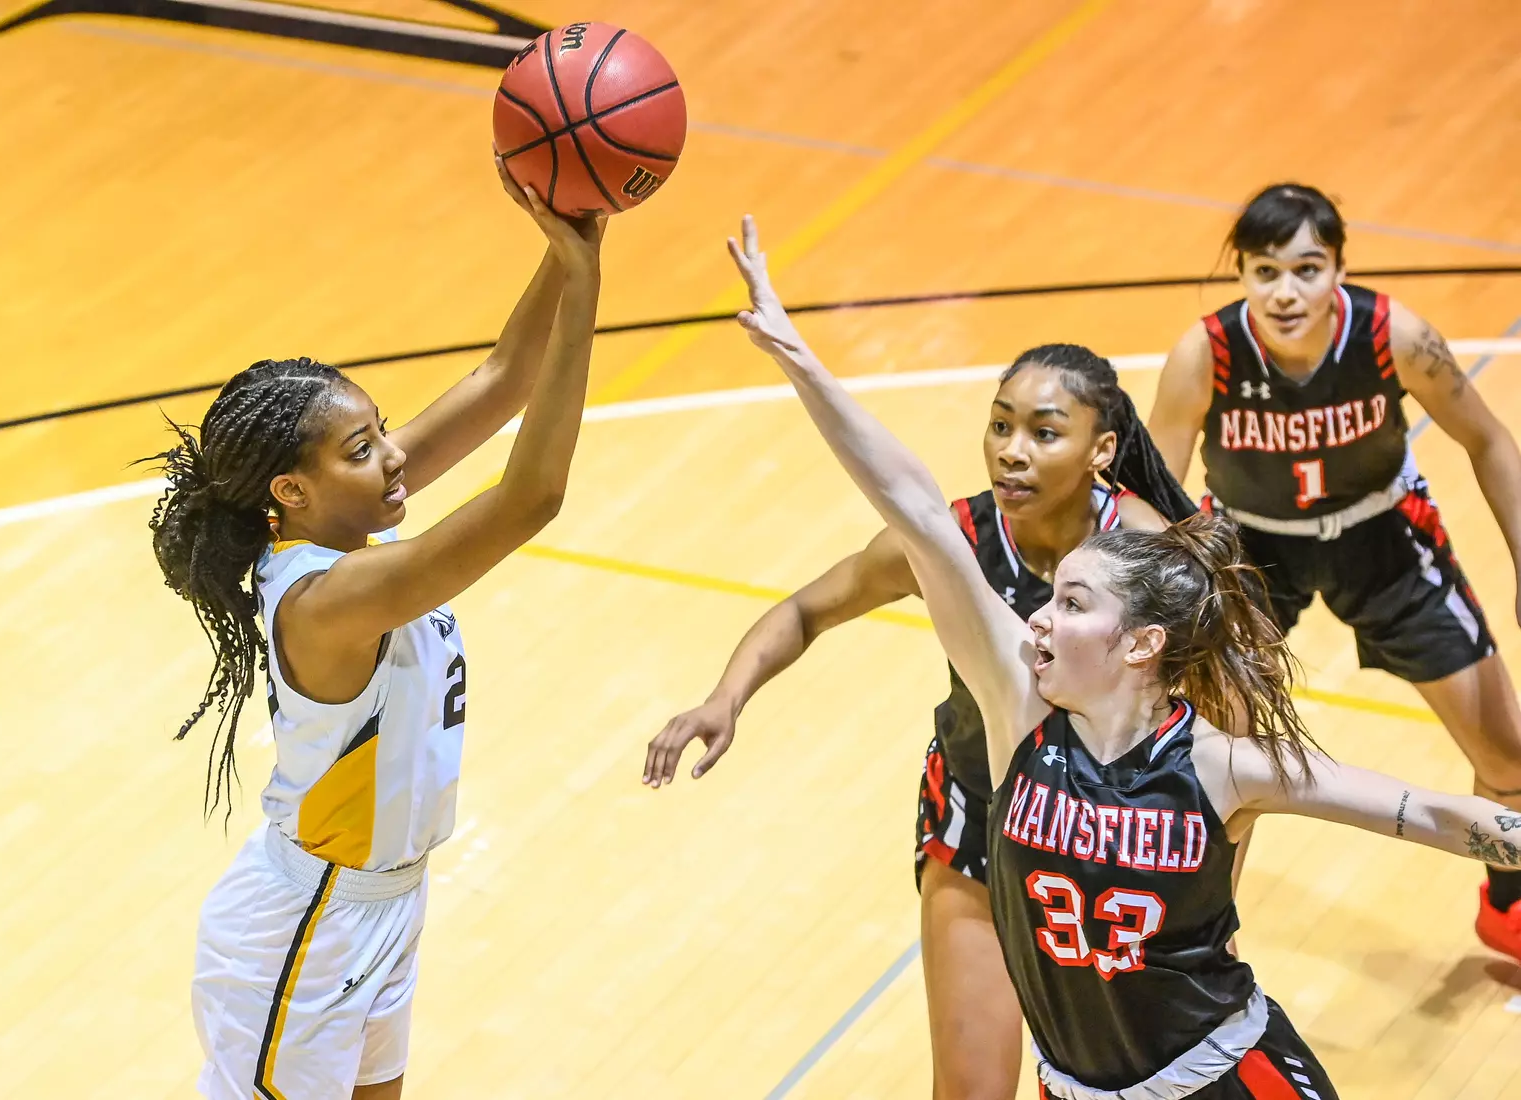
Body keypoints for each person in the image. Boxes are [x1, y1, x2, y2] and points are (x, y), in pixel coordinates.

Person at [724, 213, 1521, 1099]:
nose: (1035, 621)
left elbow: (1427, 814)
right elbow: (910, 504)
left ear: (1142, 642)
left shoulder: (1218, 764)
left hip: (1223, 1077)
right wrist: (796, 355)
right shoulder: (1017, 715)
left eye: (1070, 605)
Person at [144, 163, 604, 1100]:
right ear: (291, 491)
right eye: (362, 449)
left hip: (385, 902)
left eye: (382, 430)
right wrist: (586, 294)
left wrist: (572, 243)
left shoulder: (352, 523)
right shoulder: (328, 598)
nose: (394, 456)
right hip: (306, 926)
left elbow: (503, 378)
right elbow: (531, 496)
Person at [643, 340, 1194, 1099]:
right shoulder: (953, 541)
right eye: (999, 426)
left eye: (1043, 433)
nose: (1011, 452)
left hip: (1109, 841)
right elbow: (808, 608)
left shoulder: (1145, 553)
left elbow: (1220, 707)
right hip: (979, 824)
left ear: (1101, 449)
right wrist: (725, 697)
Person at [1147, 182, 1521, 960]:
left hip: (1381, 539)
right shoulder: (1205, 352)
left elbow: (1487, 439)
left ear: (1339, 271)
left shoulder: (1394, 335)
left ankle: (1508, 907)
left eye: (1306, 269)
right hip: (1248, 553)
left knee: (1507, 756)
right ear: (1241, 275)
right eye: (1264, 272)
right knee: (1224, 756)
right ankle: (1199, 950)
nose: (1284, 292)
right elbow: (1150, 496)